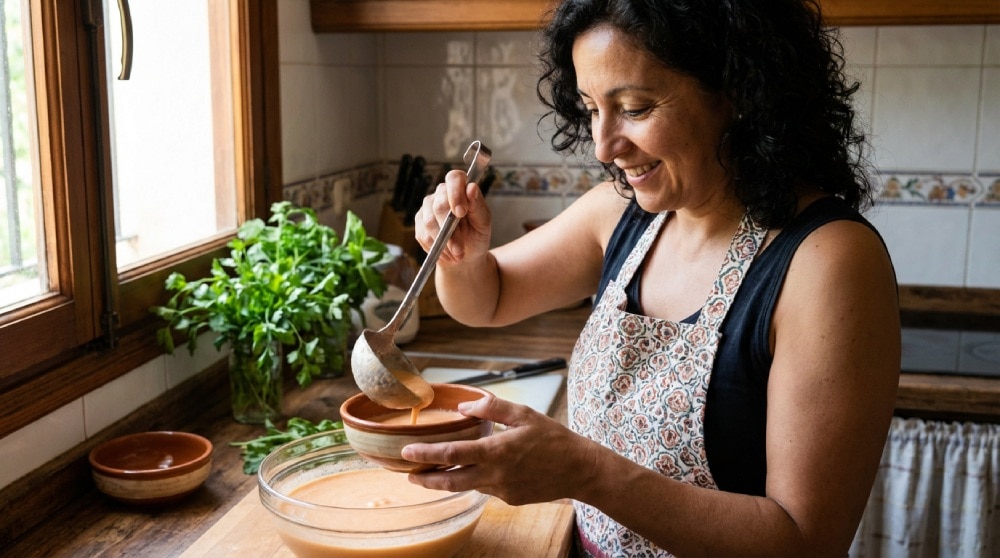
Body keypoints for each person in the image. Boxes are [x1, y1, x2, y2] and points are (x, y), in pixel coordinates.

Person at [405, 0, 900, 555]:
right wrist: (461, 257)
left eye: (635, 108)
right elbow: (487, 298)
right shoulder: (620, 216)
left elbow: (806, 540)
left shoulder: (827, 262)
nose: (603, 146)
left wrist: (586, 473)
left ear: (739, 94)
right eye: (591, 108)